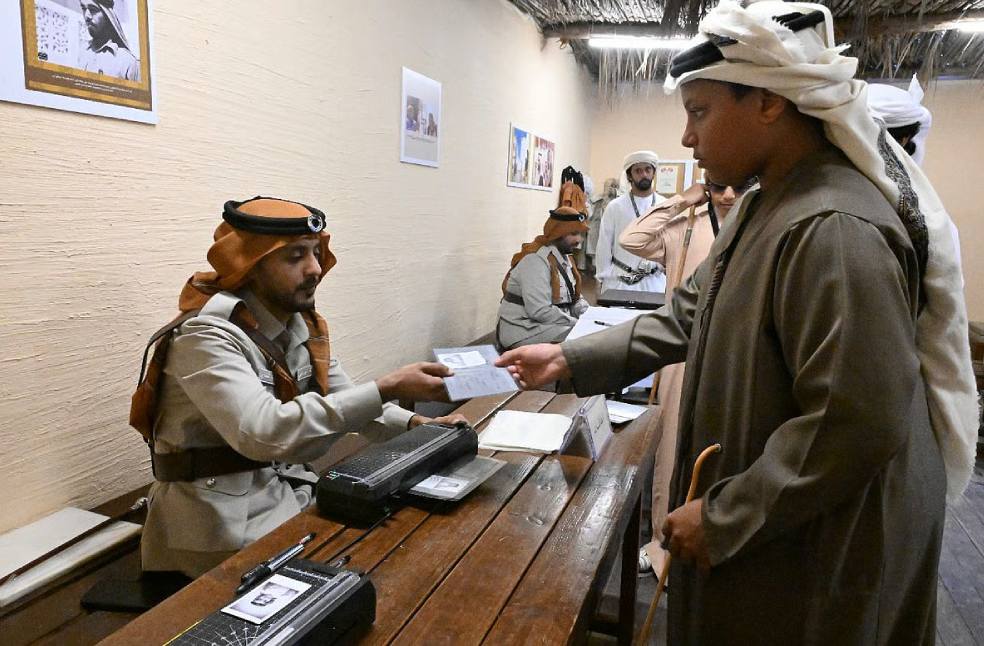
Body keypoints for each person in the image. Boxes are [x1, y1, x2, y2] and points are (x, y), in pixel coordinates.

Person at [497, 2, 978, 643]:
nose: (688, 139)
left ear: (769, 102)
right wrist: (568, 360)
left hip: (821, 548)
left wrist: (726, 517)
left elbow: (855, 420)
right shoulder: (770, 205)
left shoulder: (831, 227)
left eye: (700, 112)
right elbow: (687, 315)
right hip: (781, 527)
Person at [134, 196, 462, 577]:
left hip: (286, 496)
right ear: (251, 266)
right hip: (216, 527)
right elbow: (264, 432)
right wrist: (386, 387)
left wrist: (414, 426)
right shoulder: (205, 337)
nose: (315, 269)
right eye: (294, 257)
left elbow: (344, 398)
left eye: (314, 252)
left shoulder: (297, 326)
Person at [617, 176, 756, 576]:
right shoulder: (687, 226)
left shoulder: (760, 224)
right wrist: (680, 201)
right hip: (683, 352)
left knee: (726, 444)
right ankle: (662, 543)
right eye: (719, 187)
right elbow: (632, 239)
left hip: (736, 353)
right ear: (707, 187)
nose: (729, 195)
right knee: (672, 444)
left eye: (739, 187)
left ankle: (715, 535)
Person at [496, 204, 590, 350]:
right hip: (524, 329)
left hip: (549, 324)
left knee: (594, 334)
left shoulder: (564, 257)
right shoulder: (535, 260)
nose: (579, 240)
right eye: (573, 234)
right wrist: (577, 323)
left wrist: (590, 315)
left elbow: (574, 297)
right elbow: (539, 311)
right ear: (558, 233)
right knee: (586, 340)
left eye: (580, 234)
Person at [595, 151, 668, 294]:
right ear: (629, 175)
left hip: (655, 282)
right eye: (638, 171)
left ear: (653, 173)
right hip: (619, 281)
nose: (644, 174)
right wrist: (602, 276)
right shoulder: (615, 207)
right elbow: (604, 244)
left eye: (648, 169)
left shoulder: (665, 205)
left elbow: (672, 244)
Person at [77, 0, 140, 81]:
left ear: (108, 16)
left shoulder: (128, 62)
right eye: (83, 9)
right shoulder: (82, 51)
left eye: (93, 10)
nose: (86, 16)